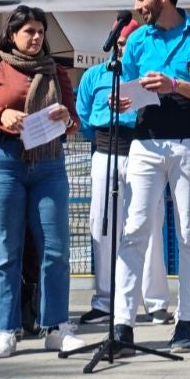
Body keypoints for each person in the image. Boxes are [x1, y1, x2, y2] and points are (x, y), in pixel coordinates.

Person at [113, 0, 190, 355]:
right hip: (144, 145)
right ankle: (122, 325)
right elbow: (130, 92)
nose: (137, 6)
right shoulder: (136, 40)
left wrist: (174, 84)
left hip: (189, 145)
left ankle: (184, 324)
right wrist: (123, 101)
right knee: (134, 231)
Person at [0, 5, 82, 359]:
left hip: (48, 164)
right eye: (29, 31)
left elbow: (74, 123)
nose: (36, 38)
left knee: (56, 248)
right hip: (2, 163)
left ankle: (57, 327)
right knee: (6, 250)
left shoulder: (56, 71)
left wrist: (66, 118)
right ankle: (5, 329)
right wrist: (1, 115)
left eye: (40, 32)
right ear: (12, 34)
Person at [73, 19, 171, 326]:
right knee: (103, 226)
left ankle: (155, 301)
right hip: (105, 152)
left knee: (150, 225)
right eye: (121, 41)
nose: (124, 46)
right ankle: (105, 301)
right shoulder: (93, 76)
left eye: (130, 41)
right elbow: (84, 119)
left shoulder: (149, 76)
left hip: (144, 152)